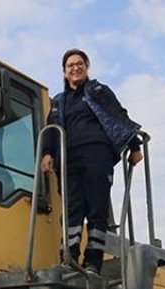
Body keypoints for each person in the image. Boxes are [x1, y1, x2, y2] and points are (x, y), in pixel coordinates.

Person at [40, 48, 143, 274]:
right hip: (68, 159)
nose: (75, 68)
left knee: (96, 208)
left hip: (98, 154)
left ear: (86, 68)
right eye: (70, 65)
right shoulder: (58, 102)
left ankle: (93, 262)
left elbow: (119, 116)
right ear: (64, 72)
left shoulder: (99, 91)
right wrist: (47, 153)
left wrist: (134, 146)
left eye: (80, 64)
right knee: (71, 209)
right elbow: (50, 131)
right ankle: (69, 258)